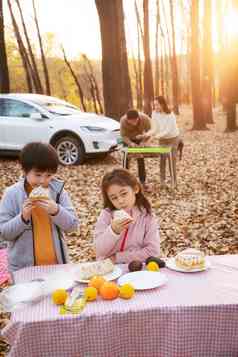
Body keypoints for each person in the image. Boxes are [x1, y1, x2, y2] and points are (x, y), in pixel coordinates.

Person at [0, 142, 79, 272]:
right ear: (24, 171)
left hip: (57, 266)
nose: (43, 181)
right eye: (38, 175)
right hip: (23, 270)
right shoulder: (12, 194)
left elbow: (73, 226)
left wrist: (56, 211)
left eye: (48, 175)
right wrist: (23, 218)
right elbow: (4, 234)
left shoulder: (58, 192)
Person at [94, 168, 160, 263]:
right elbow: (99, 251)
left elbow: (153, 251)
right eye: (114, 198)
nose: (120, 201)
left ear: (135, 189)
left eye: (124, 194)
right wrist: (113, 231)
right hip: (109, 270)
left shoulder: (147, 216)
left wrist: (119, 258)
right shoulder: (106, 215)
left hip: (136, 269)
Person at [148, 96, 180, 188]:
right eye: (154, 105)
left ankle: (174, 183)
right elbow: (155, 128)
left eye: (157, 105)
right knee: (162, 160)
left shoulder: (170, 115)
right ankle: (162, 182)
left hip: (173, 138)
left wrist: (155, 137)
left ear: (162, 104)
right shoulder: (154, 113)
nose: (155, 107)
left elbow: (168, 130)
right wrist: (147, 135)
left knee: (171, 160)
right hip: (162, 139)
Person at [120, 109, 152, 190]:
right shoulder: (123, 120)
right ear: (127, 119)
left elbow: (151, 132)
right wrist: (131, 144)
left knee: (140, 157)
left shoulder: (145, 118)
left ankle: (142, 182)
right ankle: (125, 181)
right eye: (131, 122)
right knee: (126, 158)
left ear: (138, 118)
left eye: (135, 121)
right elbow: (123, 136)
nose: (133, 123)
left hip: (140, 138)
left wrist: (144, 142)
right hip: (128, 139)